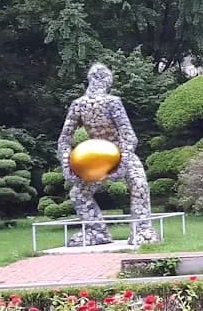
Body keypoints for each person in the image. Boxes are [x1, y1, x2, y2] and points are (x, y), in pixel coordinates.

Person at [57, 63, 159, 246]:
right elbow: (130, 136)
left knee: (80, 194)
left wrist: (66, 165)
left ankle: (130, 230)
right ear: (107, 80)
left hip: (108, 156)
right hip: (99, 157)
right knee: (139, 185)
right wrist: (68, 166)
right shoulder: (109, 102)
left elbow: (64, 140)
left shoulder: (79, 105)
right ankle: (132, 230)